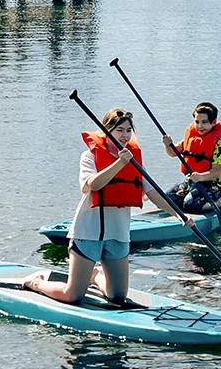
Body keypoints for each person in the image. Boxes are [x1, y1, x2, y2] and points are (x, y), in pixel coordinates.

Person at [26, 107, 189, 304]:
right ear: (107, 131)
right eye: (119, 130)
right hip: (88, 232)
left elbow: (154, 194)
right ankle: (36, 283)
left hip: (118, 234)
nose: (125, 135)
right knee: (73, 296)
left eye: (128, 130)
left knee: (117, 296)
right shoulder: (90, 157)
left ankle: (94, 277)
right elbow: (91, 185)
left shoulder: (135, 160)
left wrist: (179, 215)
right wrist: (119, 163)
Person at [163, 102, 221, 214]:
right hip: (193, 181)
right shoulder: (191, 139)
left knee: (190, 206)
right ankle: (191, 201)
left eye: (204, 122)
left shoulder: (218, 145)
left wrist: (201, 176)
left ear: (213, 123)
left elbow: (216, 172)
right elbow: (173, 152)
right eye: (197, 122)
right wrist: (167, 144)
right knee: (166, 199)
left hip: (214, 184)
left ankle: (218, 203)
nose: (200, 126)